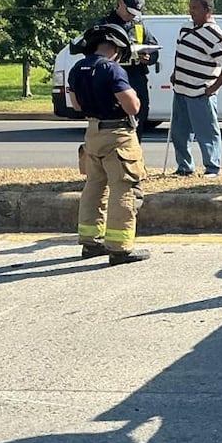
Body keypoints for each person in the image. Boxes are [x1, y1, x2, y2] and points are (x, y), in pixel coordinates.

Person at [68, 24, 150, 265]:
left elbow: (76, 105)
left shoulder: (77, 69)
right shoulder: (112, 69)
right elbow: (132, 106)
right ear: (115, 47)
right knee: (124, 188)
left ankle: (90, 242)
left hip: (92, 133)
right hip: (118, 134)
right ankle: (120, 247)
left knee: (94, 187)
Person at [70, 0, 159, 135]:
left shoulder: (139, 25)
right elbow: (88, 50)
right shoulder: (103, 25)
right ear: (121, 4)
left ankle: (134, 150)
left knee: (139, 117)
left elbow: (154, 49)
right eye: (130, 11)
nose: (132, 16)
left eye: (135, 13)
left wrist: (149, 58)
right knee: (112, 116)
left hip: (135, 77)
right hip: (109, 77)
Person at [169, 0, 222, 177]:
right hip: (181, 89)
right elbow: (180, 53)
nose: (191, 12)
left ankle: (212, 168)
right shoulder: (185, 28)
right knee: (179, 133)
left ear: (207, 10)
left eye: (195, 9)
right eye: (190, 8)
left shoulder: (214, 33)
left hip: (200, 91)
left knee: (207, 132)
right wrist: (176, 73)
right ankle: (184, 167)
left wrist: (213, 88)